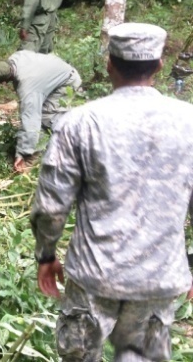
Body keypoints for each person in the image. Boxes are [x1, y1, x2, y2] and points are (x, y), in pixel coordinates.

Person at [31, 22, 193, 361]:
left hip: (94, 277)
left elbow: (51, 206)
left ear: (109, 64)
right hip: (159, 277)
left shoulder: (80, 123)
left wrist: (46, 255)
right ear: (160, 65)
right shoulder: (188, 121)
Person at [0, 51, 81, 172]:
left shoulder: (28, 88)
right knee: (39, 113)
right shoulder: (15, 58)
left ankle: (70, 148)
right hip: (55, 73)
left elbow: (31, 122)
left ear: (5, 80)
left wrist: (23, 153)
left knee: (48, 118)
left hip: (66, 80)